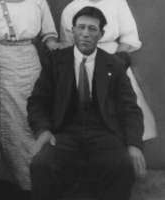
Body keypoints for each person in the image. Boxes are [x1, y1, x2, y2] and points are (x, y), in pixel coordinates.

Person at [27, 7, 146, 200]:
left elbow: (130, 108)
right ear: (72, 31)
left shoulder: (113, 64)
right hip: (65, 131)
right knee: (41, 165)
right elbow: (38, 102)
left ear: (101, 34)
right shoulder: (55, 61)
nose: (85, 34)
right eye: (81, 27)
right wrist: (43, 130)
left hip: (103, 130)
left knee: (122, 165)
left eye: (92, 29)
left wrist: (134, 144)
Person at [0, 0, 60, 191]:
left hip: (31, 60)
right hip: (3, 64)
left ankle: (38, 180)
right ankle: (16, 183)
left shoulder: (37, 1)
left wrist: (53, 44)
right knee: (9, 122)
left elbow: (49, 34)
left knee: (33, 116)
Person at [59, 0, 157, 140]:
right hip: (83, 60)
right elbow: (67, 44)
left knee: (123, 103)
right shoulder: (72, 8)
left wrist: (115, 61)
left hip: (114, 55)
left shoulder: (117, 2)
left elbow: (129, 35)